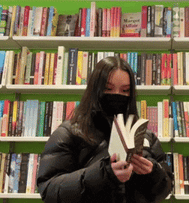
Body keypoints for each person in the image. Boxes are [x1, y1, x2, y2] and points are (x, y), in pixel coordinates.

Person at [37, 56, 173, 203]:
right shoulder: (69, 133)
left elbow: (164, 189)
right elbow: (49, 190)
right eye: (108, 89)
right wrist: (102, 174)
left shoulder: (145, 136)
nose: (117, 95)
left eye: (125, 90)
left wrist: (153, 173)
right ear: (95, 90)